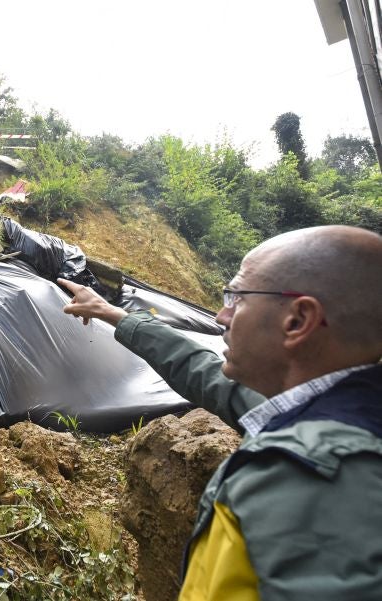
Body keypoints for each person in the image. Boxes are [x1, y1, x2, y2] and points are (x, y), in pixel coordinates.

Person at [57, 225, 382, 601]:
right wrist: (112, 313)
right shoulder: (319, 416)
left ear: (297, 320)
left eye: (237, 298)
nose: (220, 316)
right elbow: (206, 374)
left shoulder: (312, 475)